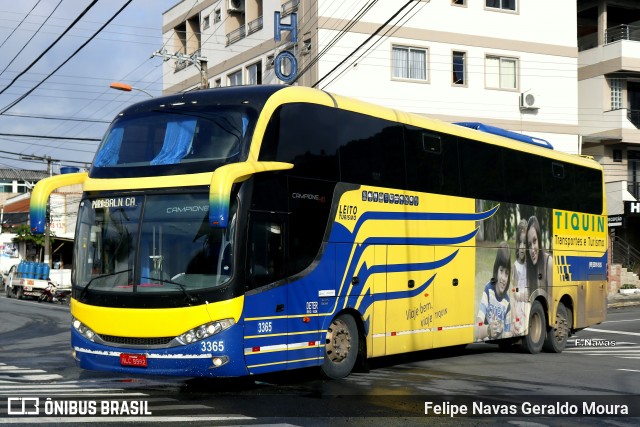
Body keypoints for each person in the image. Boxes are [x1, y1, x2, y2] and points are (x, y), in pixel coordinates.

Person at [476, 242, 511, 341]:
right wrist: (486, 329)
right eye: (501, 271)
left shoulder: (507, 302)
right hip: (486, 335)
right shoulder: (488, 289)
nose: (504, 278)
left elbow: (508, 333)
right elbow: (479, 321)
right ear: (496, 270)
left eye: (506, 273)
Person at [526, 215, 553, 295]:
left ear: (539, 240)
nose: (532, 249)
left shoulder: (549, 263)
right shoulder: (529, 267)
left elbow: (552, 301)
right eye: (529, 244)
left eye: (534, 241)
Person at [511, 219, 528, 335]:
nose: (522, 247)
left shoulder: (529, 265)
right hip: (520, 301)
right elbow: (514, 288)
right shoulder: (515, 267)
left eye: (525, 243)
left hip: (528, 300)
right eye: (520, 243)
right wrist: (519, 295)